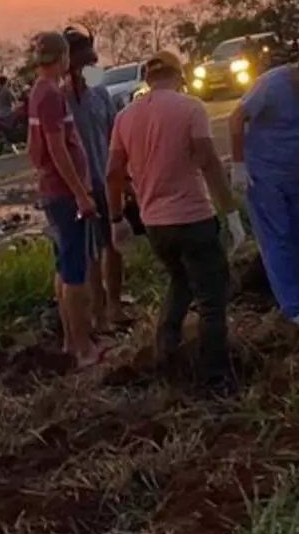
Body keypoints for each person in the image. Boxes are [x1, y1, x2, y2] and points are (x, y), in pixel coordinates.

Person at [107, 51, 245, 385]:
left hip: (156, 224)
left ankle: (165, 355)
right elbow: (209, 162)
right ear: (179, 77)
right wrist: (231, 213)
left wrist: (117, 220)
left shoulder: (125, 117)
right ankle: (215, 376)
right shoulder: (190, 108)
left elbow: (112, 173)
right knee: (212, 297)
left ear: (147, 79)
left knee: (179, 281)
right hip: (193, 217)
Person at [228, 45, 299, 326]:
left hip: (293, 173)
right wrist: (238, 165)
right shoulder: (272, 85)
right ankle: (293, 306)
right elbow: (235, 119)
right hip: (264, 174)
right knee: (277, 238)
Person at [27, 31, 104, 368]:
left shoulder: (40, 92)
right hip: (62, 193)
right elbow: (57, 148)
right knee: (75, 272)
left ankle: (72, 343)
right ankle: (84, 348)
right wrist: (80, 193)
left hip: (55, 190)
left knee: (64, 267)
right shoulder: (50, 96)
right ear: (63, 58)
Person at [63, 26, 127, 326]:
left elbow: (114, 132)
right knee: (90, 252)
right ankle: (98, 312)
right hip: (79, 187)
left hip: (106, 179)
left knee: (114, 245)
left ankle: (115, 306)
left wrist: (125, 176)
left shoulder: (99, 87)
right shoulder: (58, 96)